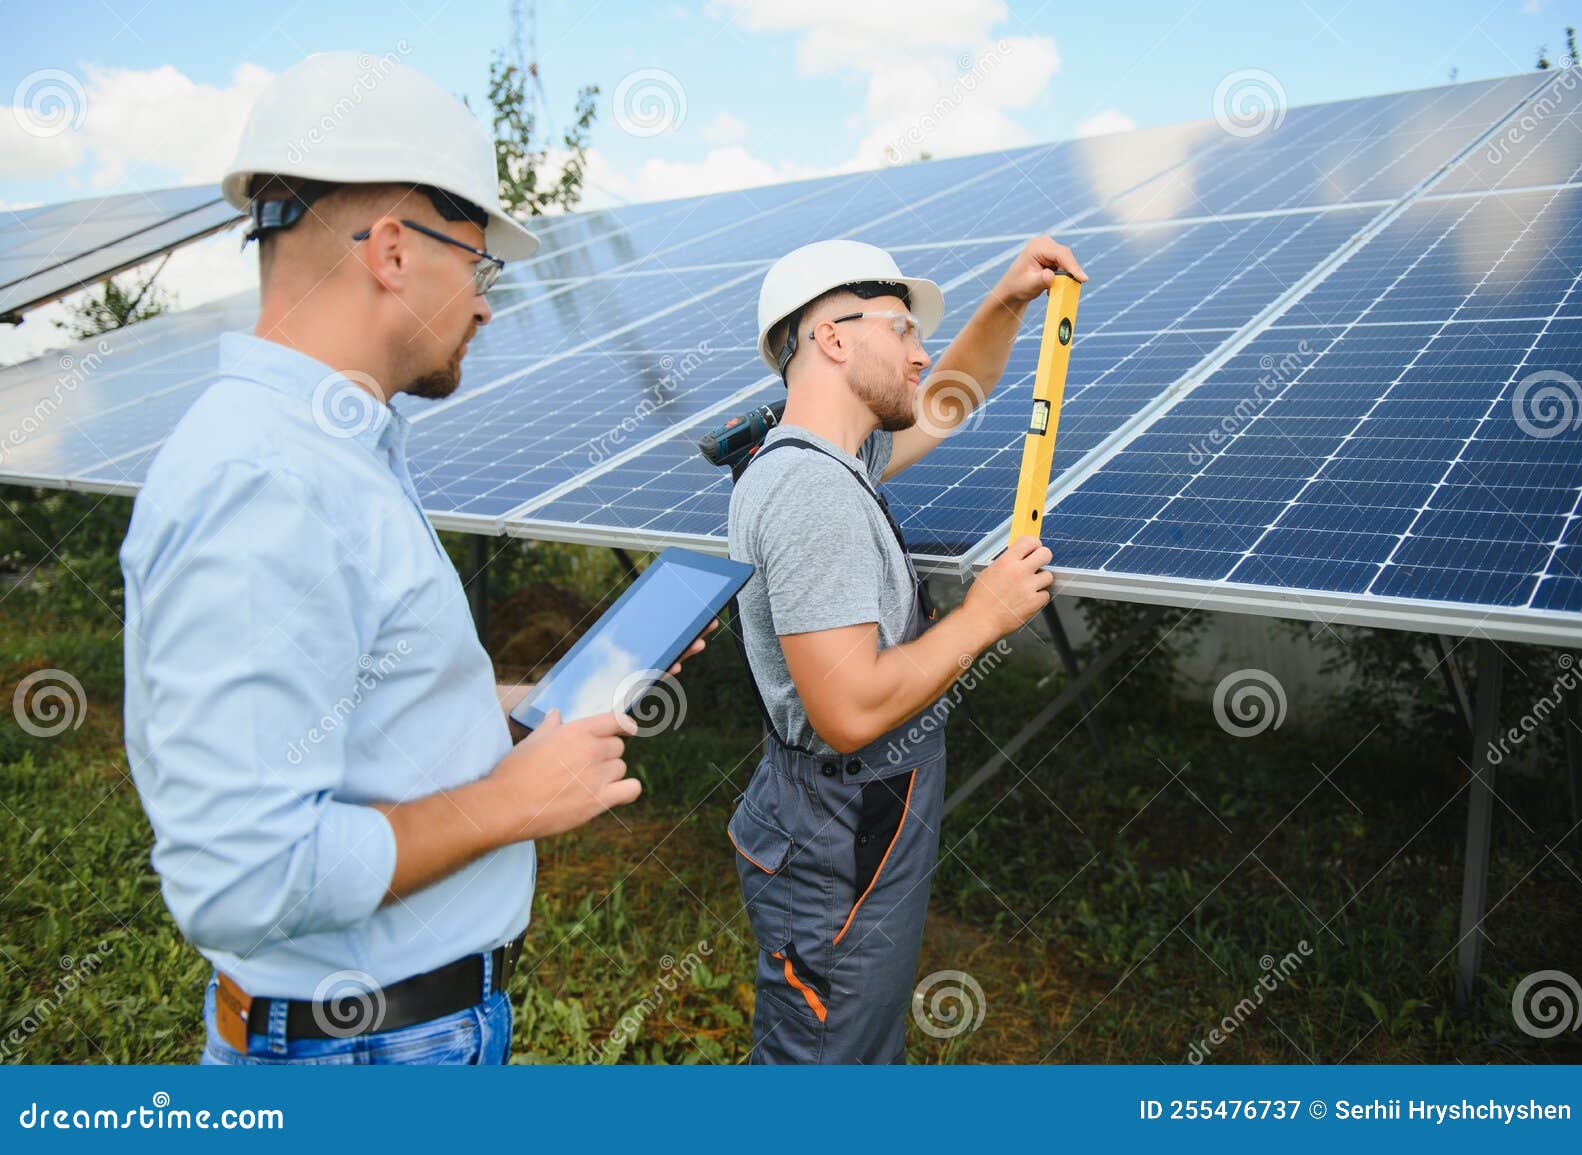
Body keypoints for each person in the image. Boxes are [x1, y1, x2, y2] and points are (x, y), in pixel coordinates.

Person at [119, 51, 705, 1066]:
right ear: (392, 251)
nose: (484, 304)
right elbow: (246, 875)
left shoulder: (332, 455)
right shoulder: (268, 484)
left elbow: (336, 709)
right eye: (478, 264)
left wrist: (512, 702)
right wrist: (512, 800)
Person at [727, 236, 1085, 1063]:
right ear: (833, 338)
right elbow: (850, 709)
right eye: (902, 328)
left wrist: (1007, 302)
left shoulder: (824, 459)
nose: (922, 352)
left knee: (843, 1045)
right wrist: (982, 615)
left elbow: (951, 397)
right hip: (840, 829)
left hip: (837, 818)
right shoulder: (813, 493)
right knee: (827, 1063)